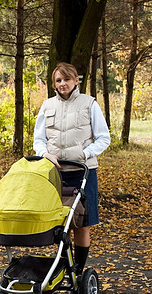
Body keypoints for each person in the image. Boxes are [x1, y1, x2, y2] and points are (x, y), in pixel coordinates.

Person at [33, 62, 111, 277]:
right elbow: (38, 140)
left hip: (83, 173)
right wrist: (45, 154)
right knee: (59, 224)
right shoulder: (47, 106)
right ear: (54, 84)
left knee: (81, 225)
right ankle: (63, 266)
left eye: (67, 79)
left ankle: (78, 270)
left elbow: (104, 138)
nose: (63, 83)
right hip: (55, 174)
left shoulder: (89, 104)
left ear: (76, 80)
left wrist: (85, 154)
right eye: (58, 80)